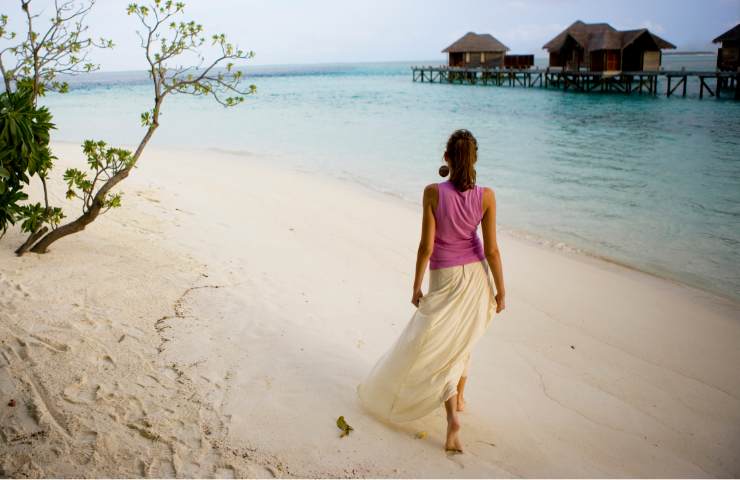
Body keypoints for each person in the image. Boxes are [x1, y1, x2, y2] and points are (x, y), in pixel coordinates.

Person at [357, 129, 505, 453]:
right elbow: (492, 251)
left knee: (440, 342)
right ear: (475, 159)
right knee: (462, 340)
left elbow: (425, 246)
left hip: (445, 276)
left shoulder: (432, 193)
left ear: (447, 158)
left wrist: (415, 285)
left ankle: (453, 411)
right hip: (478, 278)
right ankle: (459, 399)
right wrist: (501, 290)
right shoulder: (488, 196)